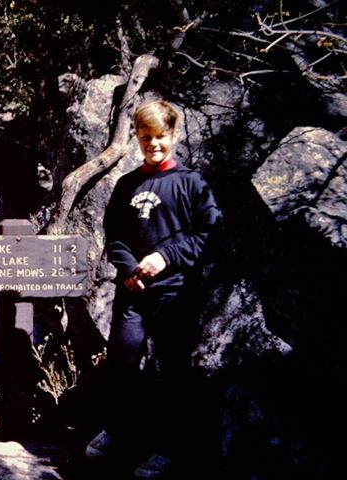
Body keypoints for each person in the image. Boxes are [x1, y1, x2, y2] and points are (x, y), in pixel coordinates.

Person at [86, 100, 221, 478]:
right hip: (132, 293)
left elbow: (207, 233)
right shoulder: (128, 184)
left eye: (161, 137)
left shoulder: (193, 183)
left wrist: (165, 256)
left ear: (174, 136)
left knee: (173, 372)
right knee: (122, 361)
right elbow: (114, 235)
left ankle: (170, 449)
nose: (154, 145)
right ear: (137, 138)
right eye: (146, 138)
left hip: (174, 295)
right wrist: (128, 268)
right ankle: (118, 432)